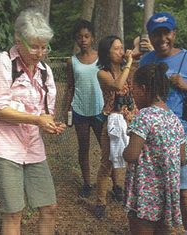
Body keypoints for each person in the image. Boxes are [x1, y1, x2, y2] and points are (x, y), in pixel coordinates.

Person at [0, 8, 66, 235]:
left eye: (44, 46)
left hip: (32, 146)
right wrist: (37, 119)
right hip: (5, 145)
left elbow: (45, 112)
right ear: (18, 40)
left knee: (49, 207)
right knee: (13, 212)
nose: (40, 52)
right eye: (34, 46)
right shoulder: (3, 63)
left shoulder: (45, 72)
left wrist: (50, 125)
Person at [140, 12, 187, 235]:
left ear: (174, 34)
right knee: (158, 188)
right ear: (150, 37)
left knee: (184, 189)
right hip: (154, 135)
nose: (162, 38)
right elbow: (142, 93)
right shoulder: (147, 61)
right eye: (156, 34)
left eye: (166, 32)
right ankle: (162, 229)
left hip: (186, 130)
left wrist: (186, 85)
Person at [123, 62, 186, 234]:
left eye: (134, 90)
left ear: (143, 89)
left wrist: (124, 148)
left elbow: (131, 155)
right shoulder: (174, 119)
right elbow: (182, 157)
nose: (133, 95)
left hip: (146, 193)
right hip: (167, 192)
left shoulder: (144, 116)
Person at [94, 35, 138, 219]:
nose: (121, 51)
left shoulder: (130, 69)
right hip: (112, 122)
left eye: (122, 47)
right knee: (107, 163)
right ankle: (100, 202)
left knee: (134, 162)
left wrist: (136, 51)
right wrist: (128, 63)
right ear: (107, 53)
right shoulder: (102, 73)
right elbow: (117, 85)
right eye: (117, 49)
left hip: (132, 120)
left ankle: (132, 198)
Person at [65, 19, 104, 198]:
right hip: (80, 109)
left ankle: (116, 184)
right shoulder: (71, 62)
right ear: (75, 39)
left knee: (108, 149)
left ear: (93, 38)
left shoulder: (102, 58)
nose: (83, 40)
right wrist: (66, 111)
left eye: (87, 36)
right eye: (79, 37)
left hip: (100, 109)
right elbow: (70, 87)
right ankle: (87, 183)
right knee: (84, 148)